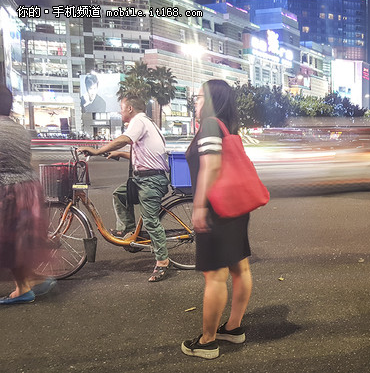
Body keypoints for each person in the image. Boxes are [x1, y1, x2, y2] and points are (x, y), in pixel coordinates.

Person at [181, 79, 252, 359]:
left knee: (215, 276)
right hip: (236, 206)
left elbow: (211, 166)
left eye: (198, 97)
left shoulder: (210, 124)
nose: (195, 102)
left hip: (216, 208)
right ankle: (232, 328)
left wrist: (198, 206)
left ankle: (207, 341)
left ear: (210, 100)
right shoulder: (227, 126)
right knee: (240, 269)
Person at [79, 96, 171, 282]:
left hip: (151, 181)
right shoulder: (147, 123)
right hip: (143, 179)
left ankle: (162, 262)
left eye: (121, 109)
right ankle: (129, 232)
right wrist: (119, 154)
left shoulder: (139, 121)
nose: (120, 112)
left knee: (151, 221)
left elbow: (124, 139)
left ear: (130, 108)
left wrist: (96, 150)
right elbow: (145, 155)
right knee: (120, 195)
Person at [0, 84, 56, 305]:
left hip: (7, 190)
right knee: (20, 240)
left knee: (9, 242)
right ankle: (34, 278)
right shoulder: (18, 129)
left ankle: (23, 288)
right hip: (29, 189)